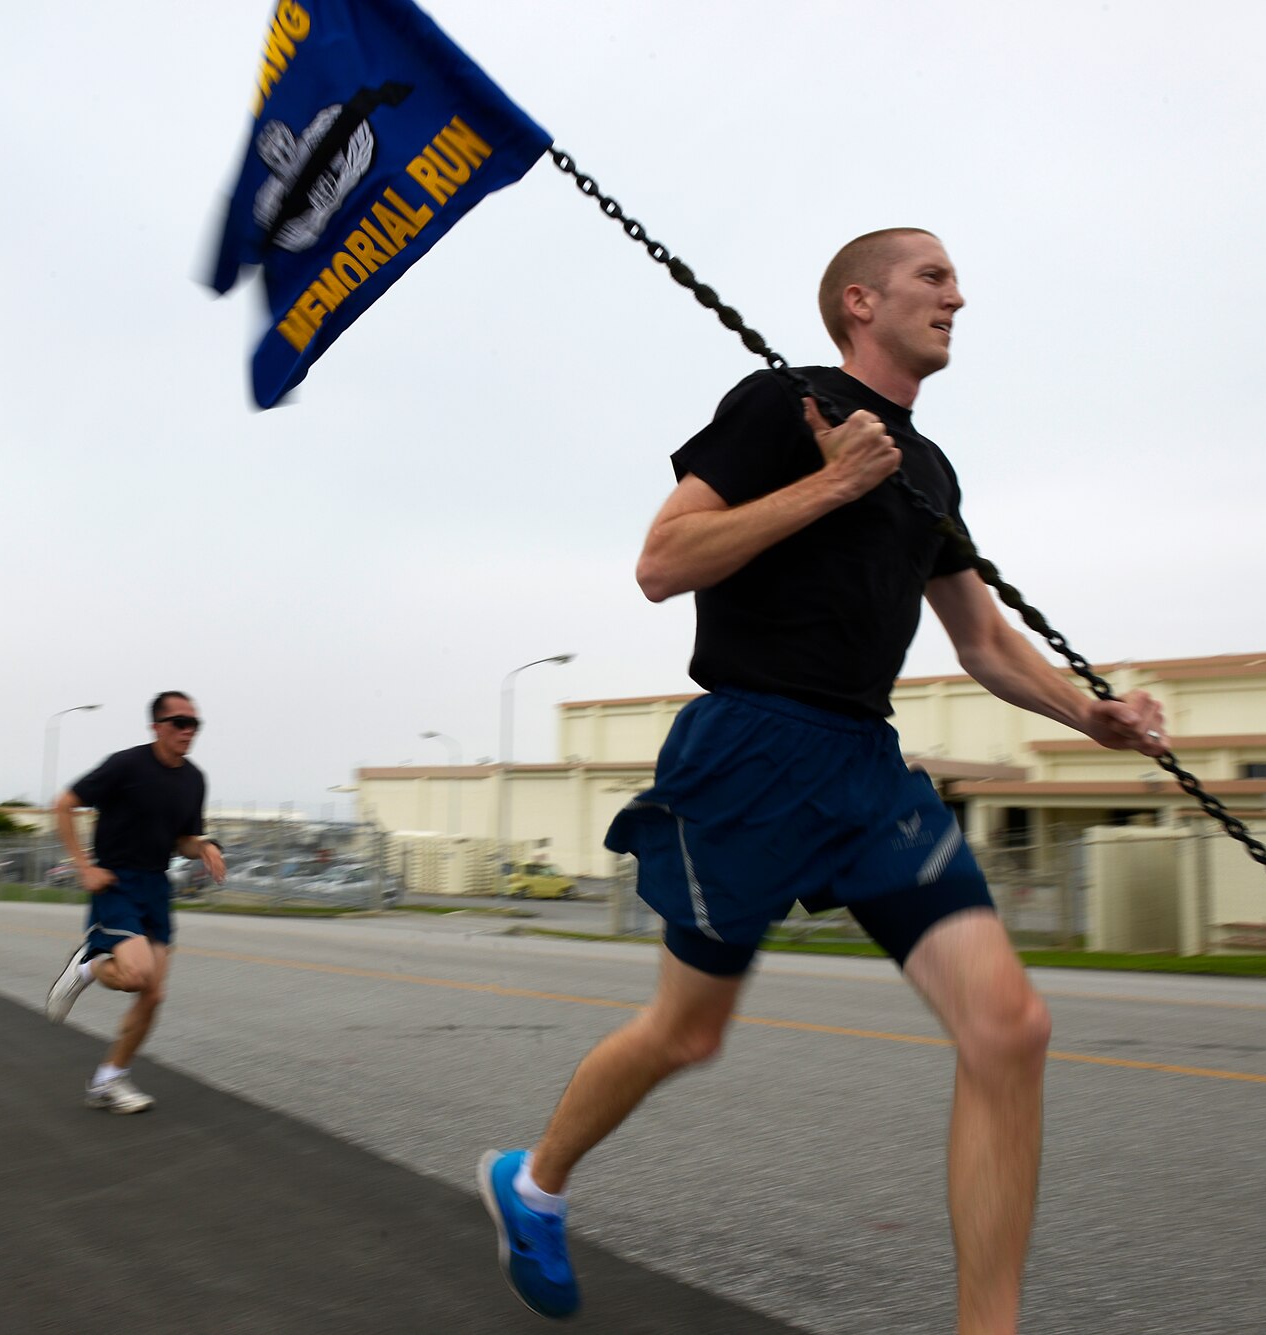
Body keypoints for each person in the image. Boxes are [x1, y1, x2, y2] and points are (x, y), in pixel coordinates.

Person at [478, 228, 1167, 1332]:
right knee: (686, 1034)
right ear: (860, 301)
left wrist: (1089, 715)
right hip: (747, 749)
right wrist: (830, 482)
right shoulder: (777, 403)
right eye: (932, 277)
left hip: (865, 768)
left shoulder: (929, 470)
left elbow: (982, 645)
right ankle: (534, 1181)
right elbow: (663, 563)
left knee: (1009, 1029)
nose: (956, 296)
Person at [45, 691, 225, 1114]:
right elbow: (64, 804)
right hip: (116, 882)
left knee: (153, 995)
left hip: (156, 887)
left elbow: (182, 839)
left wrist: (204, 846)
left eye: (194, 724)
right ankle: (86, 967)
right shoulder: (126, 765)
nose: (188, 731)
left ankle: (108, 1081)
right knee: (137, 975)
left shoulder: (194, 779)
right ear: (157, 727)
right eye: (179, 723)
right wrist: (82, 866)